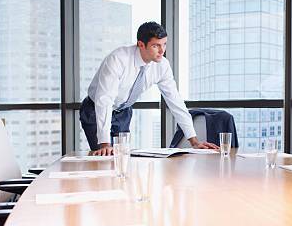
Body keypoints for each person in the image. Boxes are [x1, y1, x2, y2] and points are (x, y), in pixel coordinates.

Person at [80, 21, 218, 155]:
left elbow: (175, 102)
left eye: (164, 44)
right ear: (141, 44)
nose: (162, 51)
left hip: (123, 112)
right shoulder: (118, 59)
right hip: (95, 109)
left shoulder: (162, 66)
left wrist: (194, 141)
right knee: (105, 156)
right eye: (156, 46)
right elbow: (104, 100)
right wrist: (105, 144)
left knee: (123, 157)